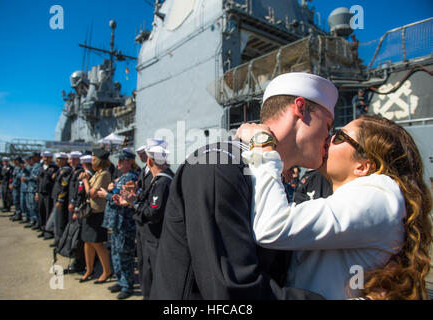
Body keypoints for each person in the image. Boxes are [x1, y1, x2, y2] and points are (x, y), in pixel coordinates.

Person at [150, 72, 336, 300]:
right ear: (300, 108)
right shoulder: (220, 164)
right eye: (328, 125)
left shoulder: (269, 174)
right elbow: (232, 291)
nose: (330, 137)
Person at [236, 114, 432, 299]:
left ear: (363, 166)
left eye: (339, 137)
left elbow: (273, 226)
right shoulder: (349, 196)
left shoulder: (379, 193)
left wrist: (263, 144)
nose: (327, 139)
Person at [115, 141, 174, 300]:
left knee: (152, 274)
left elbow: (153, 213)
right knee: (146, 272)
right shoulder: (160, 179)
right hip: (148, 235)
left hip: (154, 237)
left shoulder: (162, 182)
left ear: (149, 161)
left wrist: (134, 203)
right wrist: (132, 198)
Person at [98, 148, 138, 299]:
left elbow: (120, 198)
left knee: (124, 254)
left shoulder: (130, 178)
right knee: (115, 252)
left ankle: (128, 285)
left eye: (122, 160)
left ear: (129, 162)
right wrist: (111, 189)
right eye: (119, 160)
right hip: (116, 222)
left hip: (124, 223)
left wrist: (106, 194)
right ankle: (121, 280)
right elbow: (116, 192)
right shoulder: (121, 177)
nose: (119, 163)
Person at [78, 149, 113, 283]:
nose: (91, 162)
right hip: (90, 212)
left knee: (98, 243)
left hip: (97, 212)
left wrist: (86, 181)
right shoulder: (97, 173)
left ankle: (107, 271)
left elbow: (91, 193)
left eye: (93, 159)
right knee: (88, 241)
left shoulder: (104, 174)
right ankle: (89, 269)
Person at [134, 145, 152, 289]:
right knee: (141, 259)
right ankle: (144, 287)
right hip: (141, 218)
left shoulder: (157, 174)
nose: (140, 157)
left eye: (142, 154)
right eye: (139, 154)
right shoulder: (144, 170)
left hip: (148, 220)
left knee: (149, 261)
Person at [51, 153, 72, 247]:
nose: (56, 161)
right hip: (56, 196)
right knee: (56, 220)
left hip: (61, 199)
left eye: (59, 159)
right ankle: (57, 238)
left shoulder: (66, 171)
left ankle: (60, 241)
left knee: (60, 221)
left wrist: (60, 200)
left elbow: (64, 186)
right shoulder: (60, 170)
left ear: (64, 160)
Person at [36, 151, 59, 237]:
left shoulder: (54, 168)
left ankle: (48, 230)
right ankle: (42, 228)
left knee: (48, 211)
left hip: (49, 193)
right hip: (41, 193)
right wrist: (36, 193)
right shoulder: (41, 167)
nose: (46, 159)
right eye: (44, 157)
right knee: (41, 211)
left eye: (48, 157)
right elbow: (38, 181)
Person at [24, 152, 41, 228]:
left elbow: (36, 177)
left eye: (33, 157)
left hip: (34, 189)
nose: (31, 159)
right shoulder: (33, 166)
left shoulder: (38, 166)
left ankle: (37, 221)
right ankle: (33, 220)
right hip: (30, 189)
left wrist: (26, 178)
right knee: (30, 206)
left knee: (34, 206)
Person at [10, 157, 24, 221]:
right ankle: (16, 212)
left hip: (18, 186)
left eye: (15, 160)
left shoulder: (20, 168)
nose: (14, 162)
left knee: (17, 200)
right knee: (15, 200)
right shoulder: (16, 168)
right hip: (15, 186)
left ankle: (18, 214)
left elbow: (18, 177)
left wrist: (13, 184)